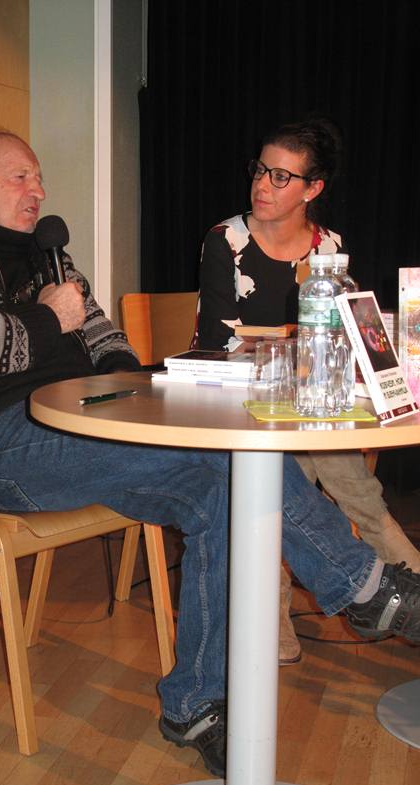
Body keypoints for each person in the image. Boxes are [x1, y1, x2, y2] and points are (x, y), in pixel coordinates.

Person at [0, 125, 420, 779]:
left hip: (83, 430)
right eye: (20, 176)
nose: (39, 190)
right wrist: (51, 319)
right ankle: (364, 588)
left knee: (224, 481)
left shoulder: (50, 261)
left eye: (39, 177)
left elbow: (105, 340)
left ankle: (195, 705)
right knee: (224, 463)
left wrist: (136, 393)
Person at [193, 117, 420, 665]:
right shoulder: (226, 240)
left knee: (337, 480)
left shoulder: (329, 248)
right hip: (239, 403)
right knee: (309, 472)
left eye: (281, 176)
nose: (262, 185)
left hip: (305, 402)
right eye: (260, 170)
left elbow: (341, 336)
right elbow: (220, 340)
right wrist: (299, 346)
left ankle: (291, 620)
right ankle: (393, 593)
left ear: (312, 189)